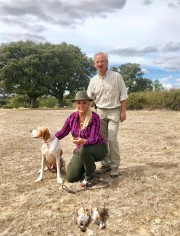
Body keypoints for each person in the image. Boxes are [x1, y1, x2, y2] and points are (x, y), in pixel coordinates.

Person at [87, 52, 128, 177]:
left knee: (112, 138)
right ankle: (105, 164)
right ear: (94, 64)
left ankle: (115, 166)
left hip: (114, 111)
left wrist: (123, 111)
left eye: (102, 61)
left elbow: (123, 95)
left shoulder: (116, 76)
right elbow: (89, 98)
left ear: (107, 62)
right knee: (102, 140)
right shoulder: (93, 81)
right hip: (99, 112)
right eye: (97, 62)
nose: (100, 64)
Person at [55, 91, 107, 188]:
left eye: (84, 103)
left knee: (84, 149)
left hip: (98, 148)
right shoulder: (72, 117)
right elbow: (62, 132)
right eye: (79, 103)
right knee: (71, 177)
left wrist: (83, 141)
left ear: (88, 103)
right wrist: (50, 139)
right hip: (81, 150)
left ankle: (90, 176)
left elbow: (94, 138)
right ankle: (88, 165)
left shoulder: (94, 117)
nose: (81, 105)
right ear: (75, 104)